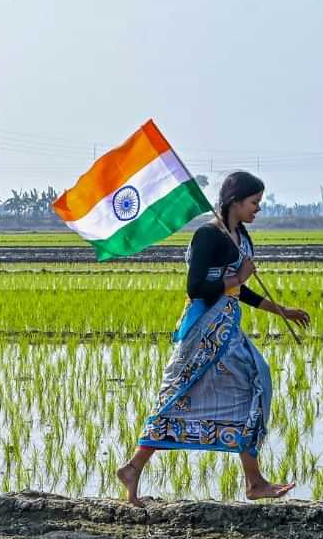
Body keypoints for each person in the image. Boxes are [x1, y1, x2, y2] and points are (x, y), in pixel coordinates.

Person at [118, 171, 311, 505]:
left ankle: (137, 468)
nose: (258, 209)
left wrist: (279, 309)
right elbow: (196, 289)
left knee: (252, 385)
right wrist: (237, 276)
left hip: (227, 326)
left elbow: (240, 289)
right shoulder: (209, 235)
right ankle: (252, 481)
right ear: (235, 201)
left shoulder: (239, 235)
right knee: (192, 393)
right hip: (205, 329)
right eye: (254, 203)